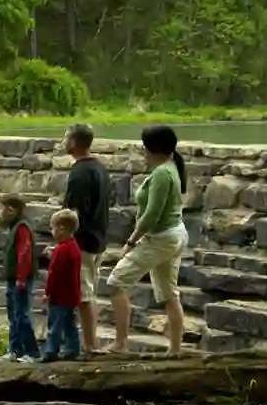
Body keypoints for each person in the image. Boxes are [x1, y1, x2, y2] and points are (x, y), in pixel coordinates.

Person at [108, 124, 189, 356]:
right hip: (174, 234)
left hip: (161, 238)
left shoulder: (163, 173)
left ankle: (121, 343)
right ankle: (174, 350)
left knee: (116, 283)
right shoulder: (171, 166)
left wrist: (131, 241)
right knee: (169, 294)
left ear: (151, 149)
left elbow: (151, 215)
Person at [61, 123, 110, 354]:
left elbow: (75, 212)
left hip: (83, 242)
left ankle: (90, 345)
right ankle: (89, 342)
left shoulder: (80, 173)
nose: (63, 141)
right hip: (98, 237)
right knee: (88, 291)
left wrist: (65, 239)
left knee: (84, 295)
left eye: (66, 137)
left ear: (74, 142)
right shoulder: (99, 168)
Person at [0, 193, 38, 362]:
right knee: (13, 315)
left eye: (0, 208)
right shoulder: (14, 227)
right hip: (12, 279)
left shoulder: (22, 228)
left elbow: (24, 253)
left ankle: (32, 352)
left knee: (21, 315)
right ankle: (15, 349)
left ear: (11, 210)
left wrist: (21, 277)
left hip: (20, 280)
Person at [42, 209, 83, 361]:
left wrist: (47, 292)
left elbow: (54, 274)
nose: (51, 231)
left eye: (52, 228)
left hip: (59, 297)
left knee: (55, 325)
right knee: (70, 325)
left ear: (61, 229)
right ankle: (73, 350)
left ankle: (51, 351)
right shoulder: (74, 247)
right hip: (72, 296)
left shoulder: (61, 251)